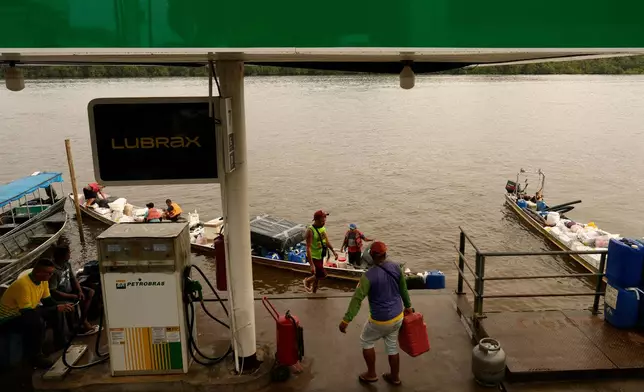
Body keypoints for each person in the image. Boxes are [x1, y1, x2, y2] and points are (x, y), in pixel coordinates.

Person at [339, 241, 413, 386]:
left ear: (371, 256)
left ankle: (371, 374)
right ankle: (395, 377)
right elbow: (403, 289)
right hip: (398, 316)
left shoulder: (368, 276)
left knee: (366, 341)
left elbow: (357, 299)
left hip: (379, 320)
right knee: (392, 346)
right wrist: (408, 306)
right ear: (385, 254)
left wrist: (346, 320)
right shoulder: (396, 267)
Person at [0, 259, 75, 368]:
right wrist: (56, 308)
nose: (51, 275)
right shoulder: (23, 285)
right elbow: (27, 313)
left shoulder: (43, 281)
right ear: (38, 273)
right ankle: (35, 357)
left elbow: (48, 301)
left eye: (52, 273)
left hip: (24, 312)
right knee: (36, 322)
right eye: (49, 273)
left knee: (58, 310)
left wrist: (63, 305)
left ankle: (61, 342)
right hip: (8, 319)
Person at [49, 245, 99, 336]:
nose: (70, 255)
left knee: (90, 292)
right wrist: (72, 296)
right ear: (62, 255)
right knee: (73, 302)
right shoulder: (53, 271)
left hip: (70, 291)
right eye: (68, 253)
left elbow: (73, 279)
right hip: (60, 295)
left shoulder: (67, 264)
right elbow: (53, 292)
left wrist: (79, 291)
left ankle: (83, 320)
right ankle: (77, 327)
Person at [303, 210, 338, 293]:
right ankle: (307, 281)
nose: (324, 222)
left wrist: (333, 251)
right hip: (313, 256)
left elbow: (326, 241)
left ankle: (314, 292)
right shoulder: (310, 231)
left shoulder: (322, 228)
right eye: (322, 220)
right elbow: (308, 248)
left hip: (321, 254)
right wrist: (311, 265)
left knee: (317, 277)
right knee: (322, 274)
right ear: (316, 220)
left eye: (325, 220)